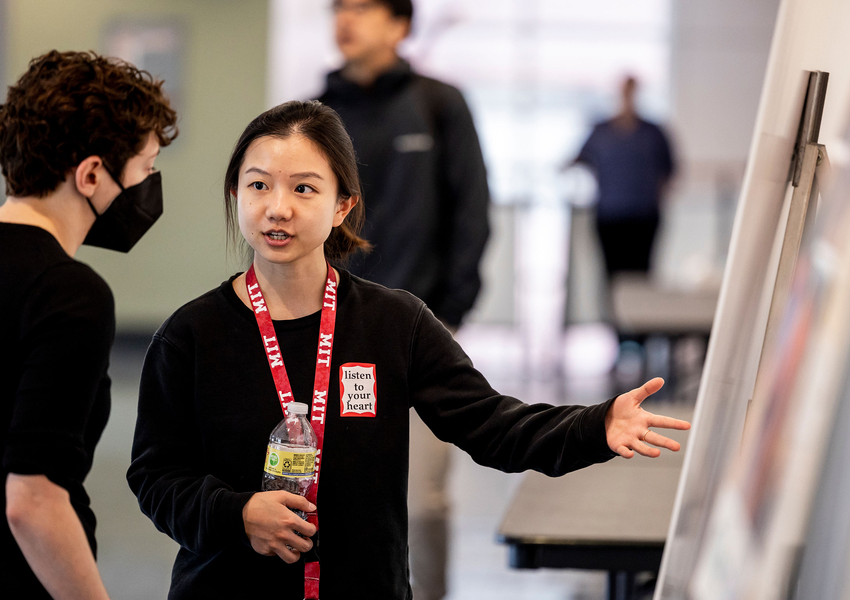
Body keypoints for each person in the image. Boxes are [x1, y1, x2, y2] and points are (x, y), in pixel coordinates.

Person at [127, 100, 690, 599]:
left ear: (343, 204)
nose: (278, 208)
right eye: (258, 185)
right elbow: (155, 475)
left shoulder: (394, 323)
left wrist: (597, 426)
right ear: (236, 194)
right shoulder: (190, 336)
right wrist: (238, 513)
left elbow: (494, 425)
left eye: (304, 187)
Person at [0, 50, 177, 598]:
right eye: (147, 168)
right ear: (91, 174)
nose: (150, 186)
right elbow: (33, 499)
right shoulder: (69, 294)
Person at [318, 2, 489, 596]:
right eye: (338, 7)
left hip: (420, 332)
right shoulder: (319, 115)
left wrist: (449, 313)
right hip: (329, 334)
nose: (345, 18)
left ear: (399, 25)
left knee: (421, 499)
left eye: (361, 7)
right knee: (328, 493)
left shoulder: (439, 105)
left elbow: (472, 210)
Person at [570, 75, 675, 276]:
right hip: (610, 216)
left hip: (644, 218)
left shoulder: (653, 133)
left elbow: (669, 171)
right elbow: (579, 159)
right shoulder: (602, 132)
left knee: (640, 276)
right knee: (612, 275)